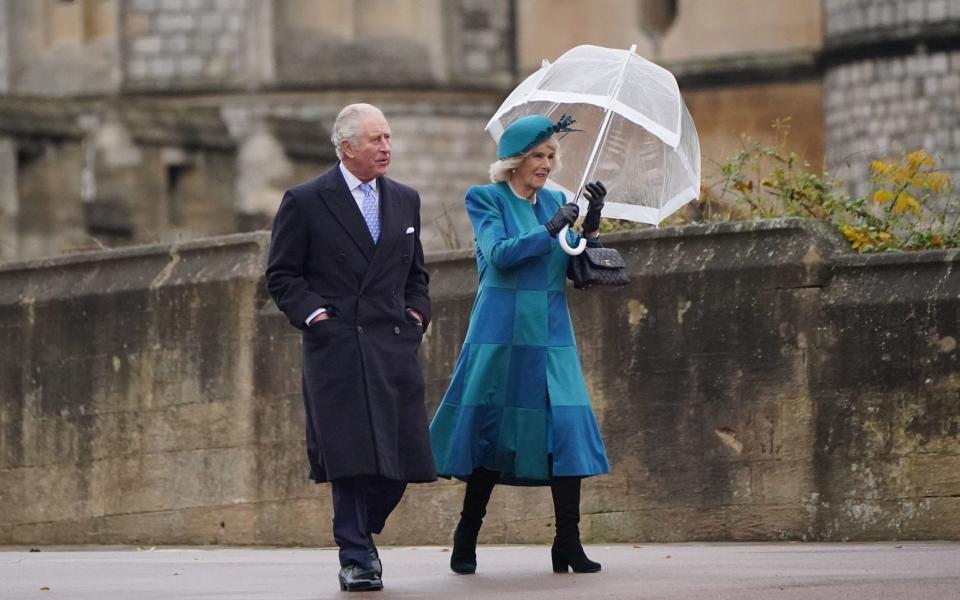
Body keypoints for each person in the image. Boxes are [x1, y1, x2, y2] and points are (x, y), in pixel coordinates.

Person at [429, 114, 610, 575]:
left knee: (565, 431)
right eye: (539, 156)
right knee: (494, 435)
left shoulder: (555, 200)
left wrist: (589, 222)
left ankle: (567, 542)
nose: (547, 164)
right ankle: (467, 534)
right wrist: (551, 228)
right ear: (514, 160)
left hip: (551, 334)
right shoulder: (486, 198)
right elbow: (500, 254)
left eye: (552, 156)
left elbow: (573, 265)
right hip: (501, 333)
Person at [265, 103, 435, 592]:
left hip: (393, 345)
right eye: (375, 140)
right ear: (346, 147)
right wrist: (315, 316)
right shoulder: (306, 199)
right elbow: (282, 274)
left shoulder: (405, 199)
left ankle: (362, 531)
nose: (386, 148)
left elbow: (415, 273)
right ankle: (355, 555)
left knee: (403, 459)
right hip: (337, 347)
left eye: (388, 138)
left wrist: (417, 312)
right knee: (351, 457)